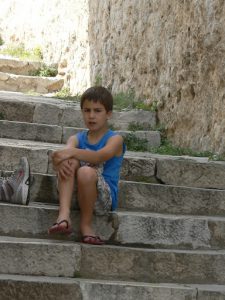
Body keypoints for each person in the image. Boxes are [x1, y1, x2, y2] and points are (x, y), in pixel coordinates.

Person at [48, 86, 126, 245]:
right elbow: (61, 158)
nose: (91, 116)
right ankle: (63, 216)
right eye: (86, 110)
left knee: (83, 169)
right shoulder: (76, 138)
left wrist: (67, 154)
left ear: (108, 114)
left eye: (98, 111)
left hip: (103, 199)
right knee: (70, 161)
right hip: (75, 194)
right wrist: (59, 162)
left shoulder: (115, 140)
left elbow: (98, 157)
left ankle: (86, 225)